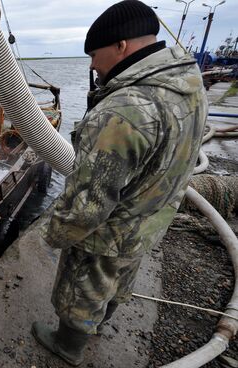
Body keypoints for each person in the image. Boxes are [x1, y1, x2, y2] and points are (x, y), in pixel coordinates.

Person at [31, 1, 207, 365]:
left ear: (121, 46)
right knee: (118, 278)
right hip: (150, 217)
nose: (92, 65)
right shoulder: (187, 84)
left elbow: (88, 205)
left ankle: (68, 345)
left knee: (85, 287)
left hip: (109, 231)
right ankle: (100, 324)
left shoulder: (124, 109)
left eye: (95, 54)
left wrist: (52, 234)